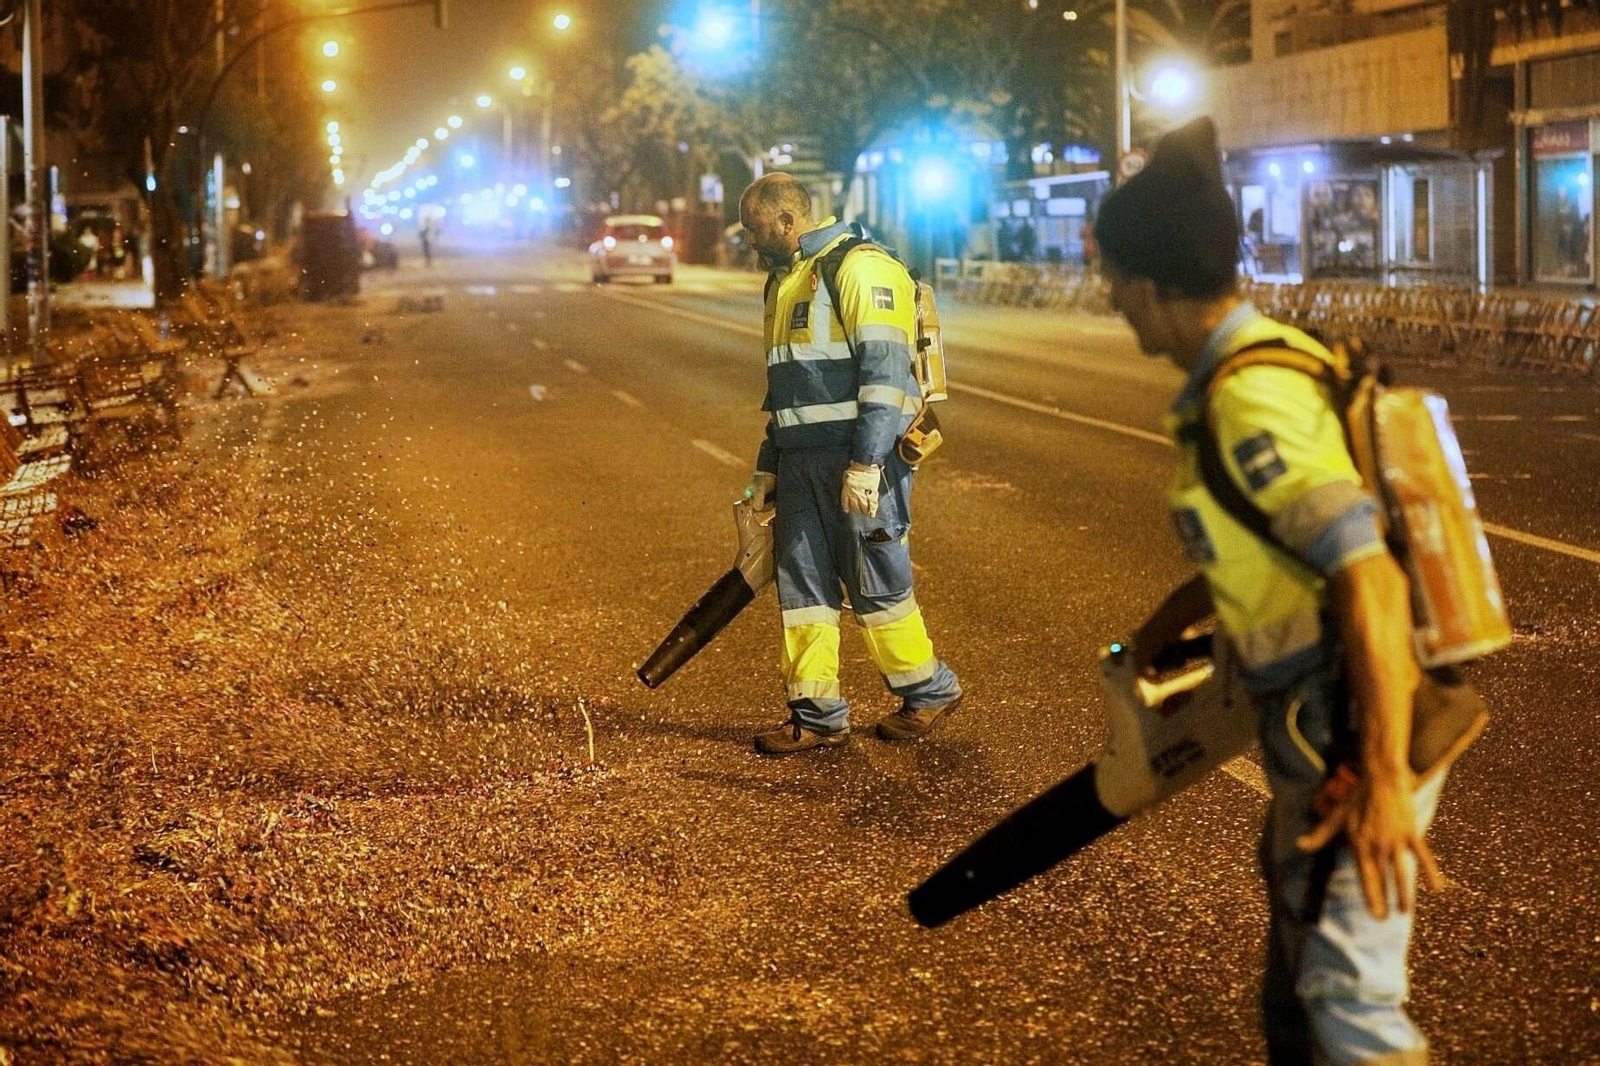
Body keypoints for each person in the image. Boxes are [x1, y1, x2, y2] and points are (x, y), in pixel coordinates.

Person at [1096, 118, 1446, 1066]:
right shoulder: (1257, 367)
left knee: (1347, 995)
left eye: (1111, 276)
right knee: (1298, 999)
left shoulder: (1250, 395)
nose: (1108, 298)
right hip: (1313, 714)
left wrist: (1378, 779)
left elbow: (1364, 572)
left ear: (1146, 284)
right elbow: (1261, 546)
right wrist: (1163, 625)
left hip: (1346, 721)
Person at [737, 173, 962, 755]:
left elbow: (886, 378)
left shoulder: (860, 268)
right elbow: (785, 387)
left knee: (875, 583)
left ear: (788, 221)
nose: (750, 242)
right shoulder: (782, 283)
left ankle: (928, 689)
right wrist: (768, 466)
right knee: (802, 586)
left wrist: (866, 464)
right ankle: (815, 714)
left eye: (756, 230)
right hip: (802, 461)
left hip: (862, 456)